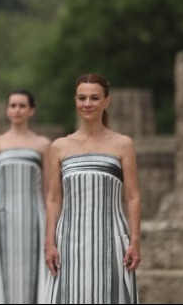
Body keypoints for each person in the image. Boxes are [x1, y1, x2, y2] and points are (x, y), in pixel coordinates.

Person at [44, 74, 141, 304]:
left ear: (106, 101)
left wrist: (135, 241)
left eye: (94, 98)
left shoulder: (123, 144)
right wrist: (49, 242)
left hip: (112, 239)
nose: (87, 103)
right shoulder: (59, 146)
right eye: (82, 98)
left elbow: (132, 197)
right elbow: (54, 198)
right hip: (68, 241)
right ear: (75, 101)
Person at [0, 90, 51, 304]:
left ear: (31, 111)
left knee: (35, 272)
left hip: (34, 218)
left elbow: (48, 190)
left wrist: (52, 228)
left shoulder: (43, 145)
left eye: (22, 106)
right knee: (3, 273)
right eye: (13, 105)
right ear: (7, 110)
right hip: (2, 219)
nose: (17, 110)